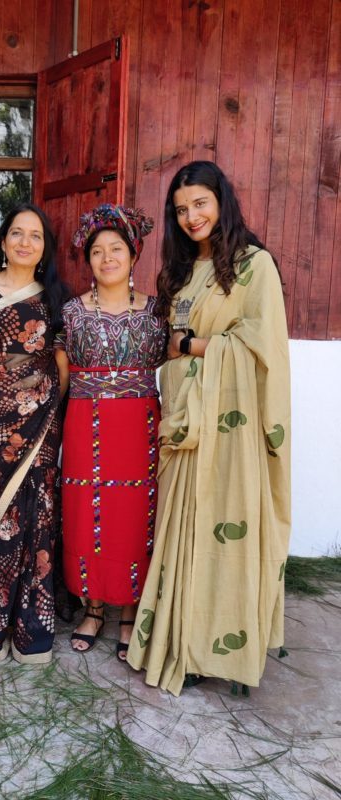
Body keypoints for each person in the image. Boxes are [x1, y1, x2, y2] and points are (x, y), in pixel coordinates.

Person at [126, 161, 291, 696]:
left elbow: (261, 345)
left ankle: (225, 644)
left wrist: (191, 345)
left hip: (230, 427)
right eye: (180, 209)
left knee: (224, 530)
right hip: (182, 423)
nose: (191, 216)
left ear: (221, 200)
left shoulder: (253, 266)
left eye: (199, 203)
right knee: (180, 528)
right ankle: (183, 640)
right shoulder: (178, 271)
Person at [54, 204, 168, 660]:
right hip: (86, 423)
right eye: (97, 251)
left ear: (133, 254)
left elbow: (174, 369)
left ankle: (129, 611)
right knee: (86, 513)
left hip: (139, 427)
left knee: (135, 516)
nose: (106, 258)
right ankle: (94, 608)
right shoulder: (72, 312)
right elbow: (62, 373)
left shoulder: (157, 312)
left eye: (116, 249)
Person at [0, 203, 69, 664]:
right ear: (3, 240)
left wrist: (48, 409)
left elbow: (61, 367)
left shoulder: (54, 296)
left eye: (36, 236)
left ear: (44, 248)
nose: (26, 242)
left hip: (41, 419)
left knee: (39, 514)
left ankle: (32, 627)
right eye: (17, 233)